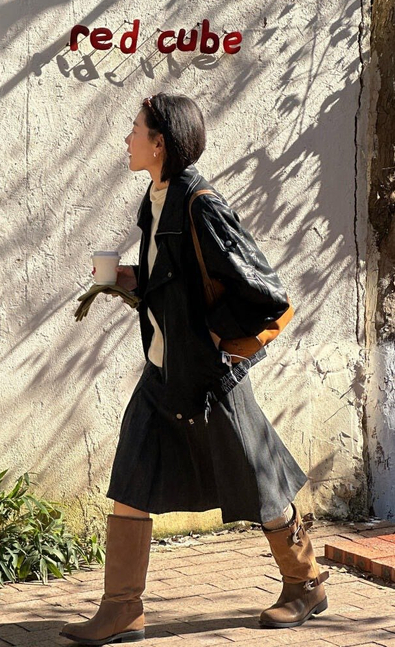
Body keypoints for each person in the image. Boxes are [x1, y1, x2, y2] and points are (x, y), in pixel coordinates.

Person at [60, 93, 328, 646]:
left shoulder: (201, 204)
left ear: (160, 143)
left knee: (260, 481)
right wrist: (129, 280)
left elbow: (265, 293)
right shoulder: (155, 198)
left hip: (208, 379)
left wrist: (214, 338)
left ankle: (305, 583)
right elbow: (175, 280)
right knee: (132, 477)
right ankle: (122, 609)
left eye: (136, 130)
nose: (127, 139)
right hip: (163, 371)